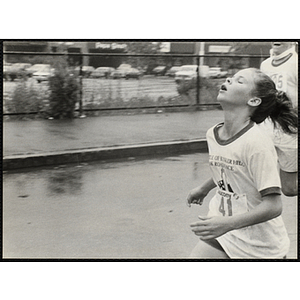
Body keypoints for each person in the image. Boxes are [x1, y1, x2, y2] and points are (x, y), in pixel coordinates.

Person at [186, 68, 298, 259]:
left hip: (260, 245)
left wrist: (227, 223)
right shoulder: (213, 133)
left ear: (253, 101)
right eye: (231, 77)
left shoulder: (257, 143)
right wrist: (204, 188)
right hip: (224, 232)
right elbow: (229, 169)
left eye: (240, 81)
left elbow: (273, 205)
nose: (229, 79)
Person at [260, 42, 298, 196]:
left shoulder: (295, 63)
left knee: (289, 189)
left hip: (289, 131)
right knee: (258, 181)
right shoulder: (265, 65)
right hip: (266, 128)